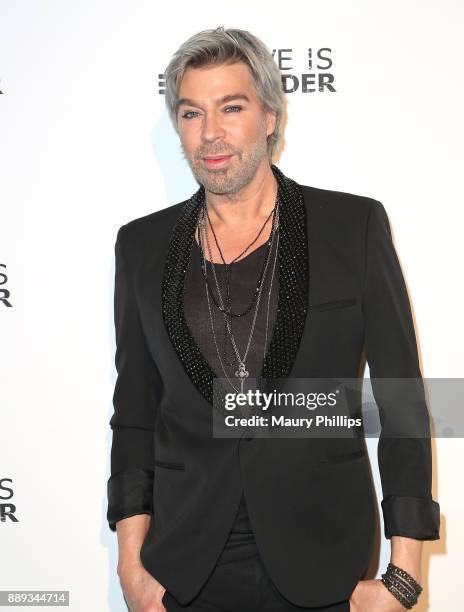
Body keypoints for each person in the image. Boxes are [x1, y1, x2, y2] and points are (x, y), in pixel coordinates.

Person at [106, 26, 440, 612]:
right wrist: (131, 566)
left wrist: (404, 574)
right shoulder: (142, 247)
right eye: (191, 113)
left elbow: (402, 399)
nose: (210, 132)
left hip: (327, 563)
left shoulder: (351, 228)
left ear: (269, 116)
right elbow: (134, 411)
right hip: (185, 568)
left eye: (231, 107)